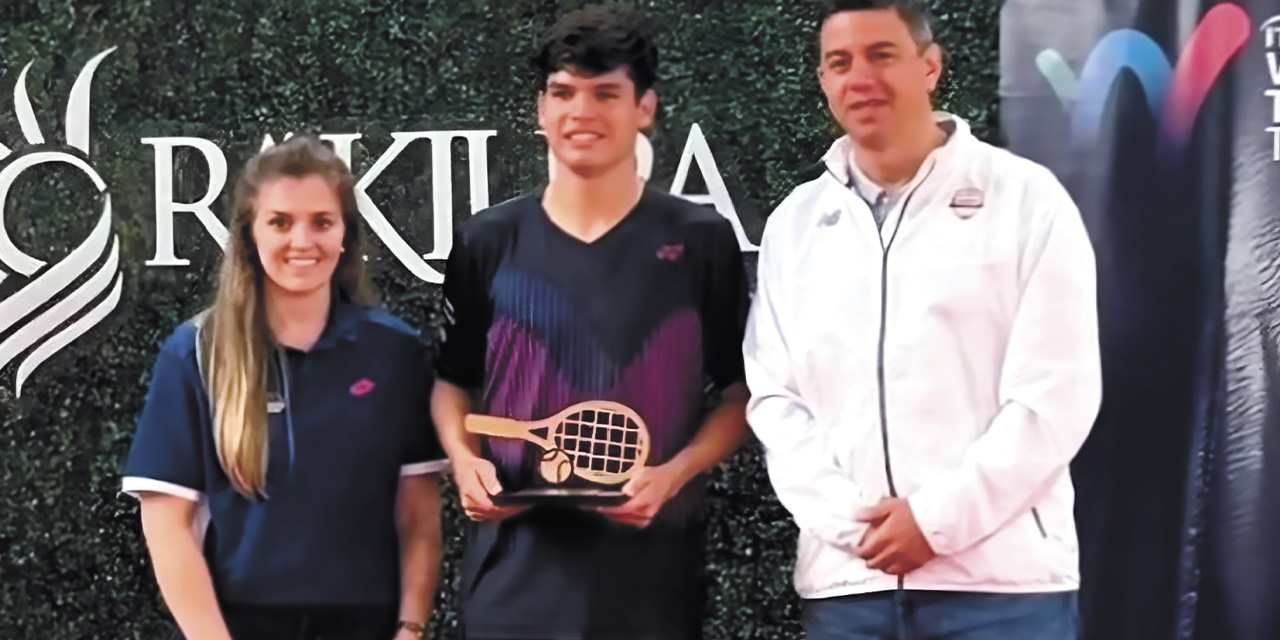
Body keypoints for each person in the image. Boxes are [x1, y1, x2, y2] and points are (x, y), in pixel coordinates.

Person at [743, 1, 1102, 638]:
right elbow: (776, 399)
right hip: (848, 592)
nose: (860, 78)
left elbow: (1056, 392)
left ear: (929, 66)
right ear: (824, 81)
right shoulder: (794, 225)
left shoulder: (1026, 199)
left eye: (882, 55)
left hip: (1002, 592)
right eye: (839, 62)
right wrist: (855, 526)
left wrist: (936, 520)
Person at [430, 6, 750, 640]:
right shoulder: (486, 242)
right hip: (511, 589)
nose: (582, 112)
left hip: (653, 592)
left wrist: (674, 473)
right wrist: (466, 463)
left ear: (645, 108)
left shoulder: (702, 243)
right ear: (541, 111)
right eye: (564, 93)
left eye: (606, 93)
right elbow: (450, 385)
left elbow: (741, 395)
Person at [122, 136, 447, 640]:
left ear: (345, 235)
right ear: (250, 234)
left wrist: (410, 627)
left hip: (369, 623)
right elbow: (168, 527)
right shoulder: (194, 352)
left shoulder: (394, 351)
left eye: (322, 221)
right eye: (280, 222)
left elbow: (419, 515)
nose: (303, 241)